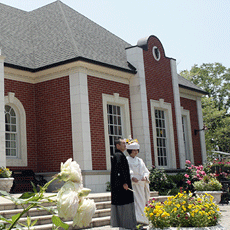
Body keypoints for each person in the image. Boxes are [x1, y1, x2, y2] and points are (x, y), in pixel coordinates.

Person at [110, 138, 137, 230]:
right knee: (124, 205)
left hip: (121, 186)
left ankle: (127, 226)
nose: (125, 145)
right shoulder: (118, 155)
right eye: (123, 144)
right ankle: (126, 226)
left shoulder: (120, 155)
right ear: (118, 146)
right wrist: (124, 183)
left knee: (126, 204)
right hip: (121, 187)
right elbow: (118, 171)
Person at [126, 138, 150, 225]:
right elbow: (126, 170)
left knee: (142, 202)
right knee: (134, 203)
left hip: (140, 185)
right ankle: (135, 220)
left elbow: (146, 171)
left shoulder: (140, 160)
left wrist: (145, 176)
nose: (135, 152)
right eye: (134, 150)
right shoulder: (126, 160)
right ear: (130, 151)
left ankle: (143, 219)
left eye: (137, 150)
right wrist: (132, 177)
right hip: (132, 185)